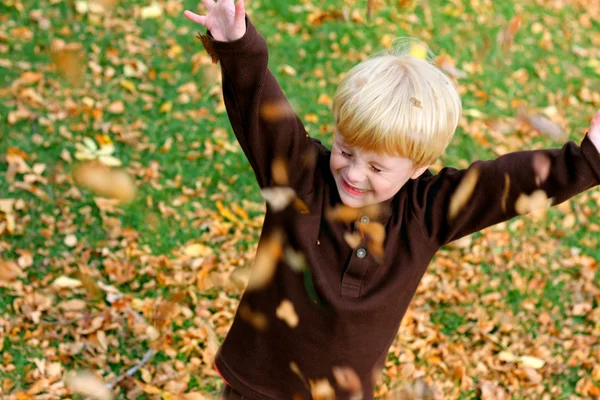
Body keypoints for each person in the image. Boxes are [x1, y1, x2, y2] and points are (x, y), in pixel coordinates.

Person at [184, 1, 600, 399]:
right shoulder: (300, 176)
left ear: (418, 166)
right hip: (259, 386)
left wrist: (588, 160)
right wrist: (237, 42)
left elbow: (503, 186)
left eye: (378, 168)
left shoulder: (428, 212)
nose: (354, 172)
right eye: (346, 151)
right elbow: (260, 106)